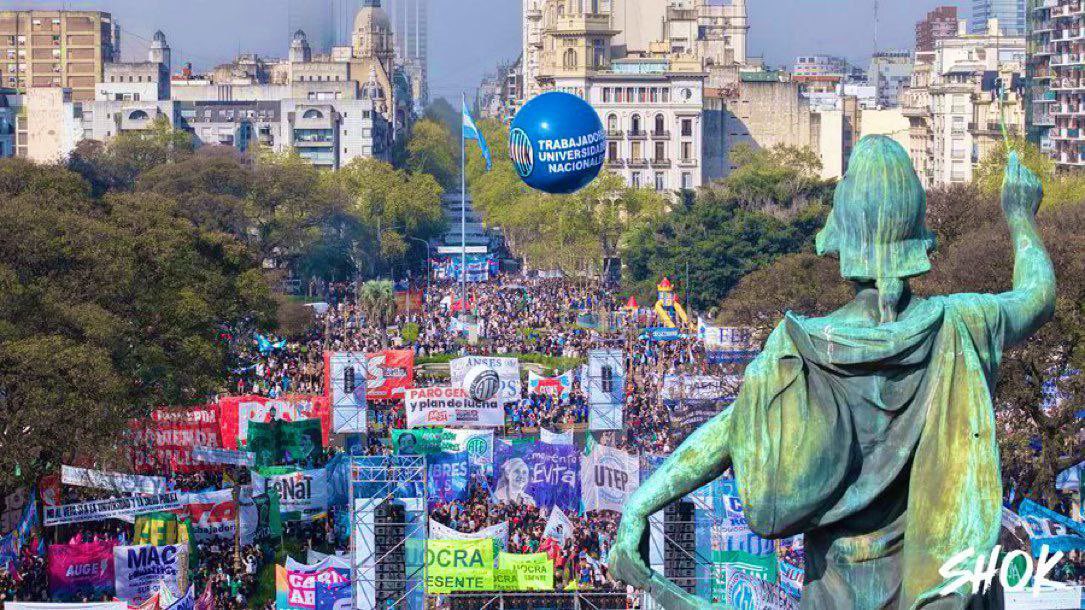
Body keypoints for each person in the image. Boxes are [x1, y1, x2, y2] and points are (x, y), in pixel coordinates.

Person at [608, 138, 1057, 610]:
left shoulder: (801, 346)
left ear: (840, 234)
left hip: (834, 591)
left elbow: (725, 436)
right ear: (918, 234)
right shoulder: (961, 323)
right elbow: (1038, 295)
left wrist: (640, 503)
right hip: (936, 585)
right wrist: (1021, 215)